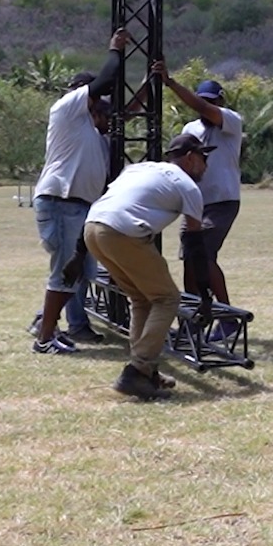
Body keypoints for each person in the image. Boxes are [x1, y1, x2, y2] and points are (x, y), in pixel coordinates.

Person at [81, 131, 213, 399]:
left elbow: (110, 203)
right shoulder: (188, 186)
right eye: (204, 157)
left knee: (142, 299)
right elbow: (195, 244)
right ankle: (137, 370)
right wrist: (204, 293)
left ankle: (147, 370)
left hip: (92, 228)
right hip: (121, 232)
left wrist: (77, 254)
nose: (206, 165)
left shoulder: (140, 169)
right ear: (190, 158)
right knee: (167, 299)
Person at [28, 28, 126, 354]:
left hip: (77, 206)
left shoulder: (90, 130)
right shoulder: (68, 108)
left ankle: (47, 325)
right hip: (62, 202)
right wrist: (115, 49)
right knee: (65, 272)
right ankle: (44, 337)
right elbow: (108, 78)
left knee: (79, 272)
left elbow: (118, 110)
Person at [153, 62, 243, 340]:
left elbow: (204, 111)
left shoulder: (231, 120)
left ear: (220, 102)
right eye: (203, 101)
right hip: (194, 202)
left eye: (211, 102)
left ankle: (227, 317)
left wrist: (171, 84)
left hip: (222, 200)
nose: (205, 107)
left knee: (203, 253)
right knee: (190, 260)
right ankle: (194, 318)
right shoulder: (190, 127)